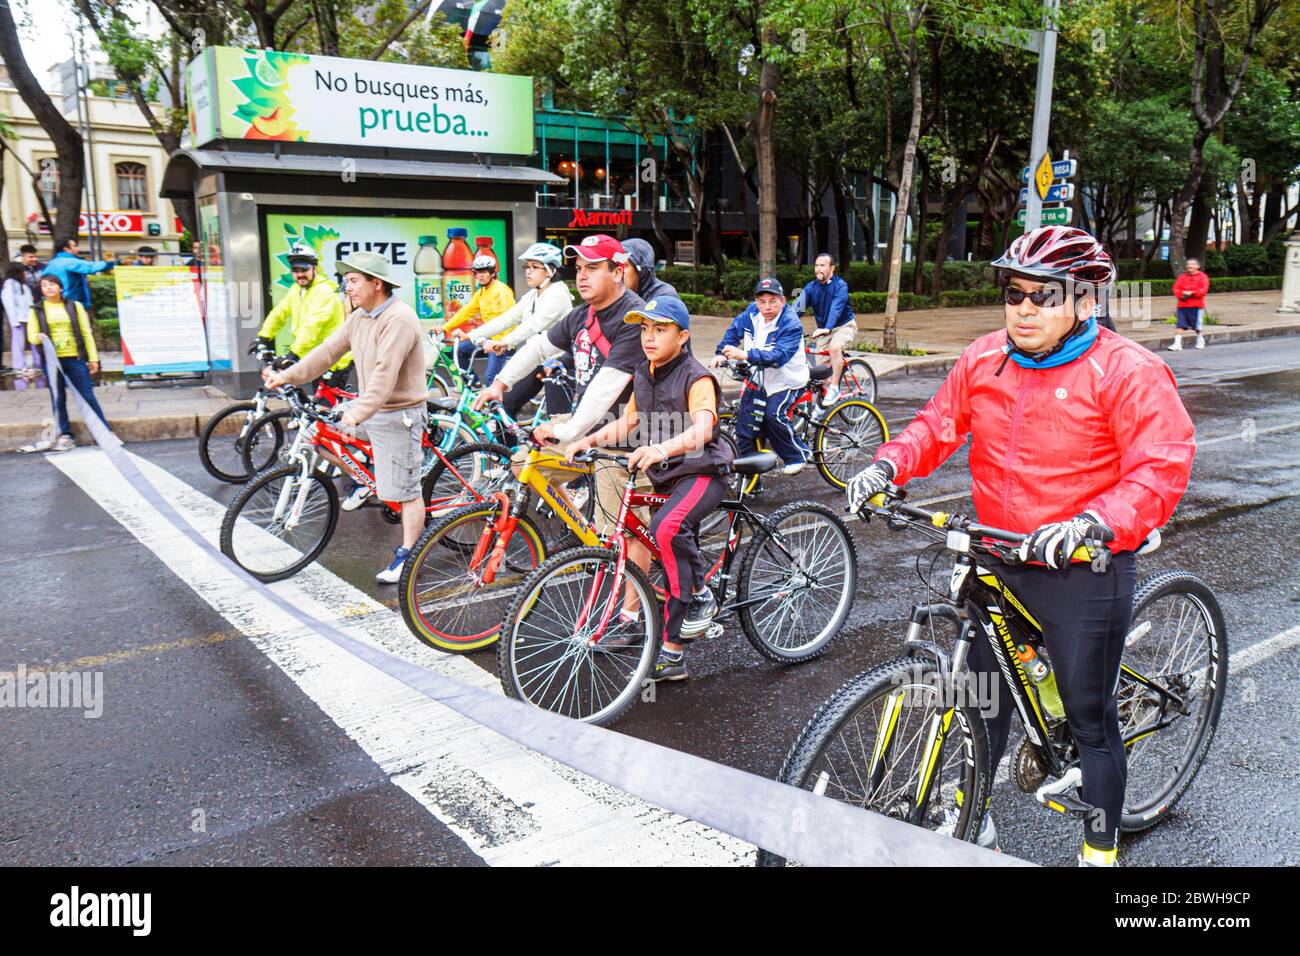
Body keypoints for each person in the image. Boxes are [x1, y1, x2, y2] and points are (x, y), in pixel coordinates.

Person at [844, 225, 1196, 867]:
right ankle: (974, 818)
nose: (1025, 308)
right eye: (1014, 294)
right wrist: (888, 464)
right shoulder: (985, 359)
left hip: (1081, 562)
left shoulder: (1127, 370)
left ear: (1085, 302)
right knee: (981, 699)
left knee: (1091, 719)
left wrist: (1094, 523)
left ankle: (1099, 848)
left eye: (1044, 296)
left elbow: (1160, 466)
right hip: (999, 553)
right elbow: (936, 426)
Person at [566, 296, 733, 682]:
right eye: (644, 329)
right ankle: (675, 645)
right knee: (656, 541)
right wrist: (588, 441)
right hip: (668, 473)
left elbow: (703, 430)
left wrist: (660, 448)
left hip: (702, 470)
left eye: (660, 329)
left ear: (683, 335)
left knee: (667, 529)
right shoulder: (645, 371)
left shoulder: (696, 376)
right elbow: (628, 423)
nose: (650, 337)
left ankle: (696, 604)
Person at [263, 252, 428, 584]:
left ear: (376, 283)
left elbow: (384, 375)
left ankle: (409, 554)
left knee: (406, 492)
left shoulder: (398, 319)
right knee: (316, 434)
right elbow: (328, 351)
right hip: (371, 409)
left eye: (353, 280)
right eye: (347, 281)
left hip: (398, 414)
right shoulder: (360, 317)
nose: (347, 288)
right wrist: (289, 376)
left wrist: (356, 412)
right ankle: (370, 481)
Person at [473, 233, 647, 537]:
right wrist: (501, 383)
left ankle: (631, 580)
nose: (582, 276)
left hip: (626, 434)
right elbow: (539, 347)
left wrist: (566, 430)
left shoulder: (633, 317)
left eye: (592, 268)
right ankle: (582, 529)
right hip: (589, 425)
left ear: (618, 272)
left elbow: (606, 386)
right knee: (525, 464)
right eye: (579, 268)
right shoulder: (583, 314)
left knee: (622, 538)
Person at [711, 276, 811, 476]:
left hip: (787, 381)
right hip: (758, 378)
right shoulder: (751, 313)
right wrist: (721, 352)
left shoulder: (790, 323)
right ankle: (750, 479)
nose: (767, 307)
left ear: (783, 301)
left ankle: (798, 455)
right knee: (745, 427)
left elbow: (778, 357)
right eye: (762, 301)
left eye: (773, 301)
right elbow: (733, 332)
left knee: (773, 415)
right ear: (756, 302)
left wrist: (745, 355)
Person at [465, 242, 574, 411]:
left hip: (559, 364)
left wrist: (505, 342)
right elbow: (507, 319)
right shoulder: (533, 295)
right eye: (527, 266)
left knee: (557, 421)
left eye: (534, 267)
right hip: (535, 358)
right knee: (506, 403)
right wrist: (472, 335)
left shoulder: (557, 295)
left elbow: (532, 325)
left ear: (549, 270)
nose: (528, 271)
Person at [27, 273, 110, 451]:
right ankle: (65, 434)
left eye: (51, 284)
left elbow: (87, 333)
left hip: (75, 358)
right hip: (51, 361)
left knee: (87, 396)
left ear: (60, 287)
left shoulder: (75, 306)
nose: (48, 288)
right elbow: (31, 336)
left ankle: (104, 432)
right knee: (58, 399)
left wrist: (93, 358)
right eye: (44, 285)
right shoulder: (36, 309)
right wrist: (39, 337)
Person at [253, 242, 352, 388]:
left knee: (324, 408)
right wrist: (263, 337)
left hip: (333, 360)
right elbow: (279, 313)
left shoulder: (325, 291)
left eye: (304, 269)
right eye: (295, 270)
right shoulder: (296, 290)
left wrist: (293, 354)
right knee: (298, 399)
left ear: (314, 268)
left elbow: (312, 326)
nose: (300, 274)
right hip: (314, 357)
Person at [794, 253, 857, 403]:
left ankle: (835, 388)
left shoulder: (840, 286)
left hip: (844, 326)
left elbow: (836, 309)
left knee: (834, 348)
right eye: (816, 265)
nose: (818, 269)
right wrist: (783, 324)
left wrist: (828, 328)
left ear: (832, 268)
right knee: (822, 375)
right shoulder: (811, 287)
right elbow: (797, 308)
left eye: (822, 265)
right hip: (824, 331)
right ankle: (823, 406)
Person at [443, 253, 515, 385]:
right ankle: (474, 384)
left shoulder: (502, 290)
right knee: (459, 350)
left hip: (500, 341)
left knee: (490, 378)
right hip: (486, 337)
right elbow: (465, 312)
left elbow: (511, 318)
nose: (480, 276)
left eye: (484, 272)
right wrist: (444, 327)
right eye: (477, 273)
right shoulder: (481, 293)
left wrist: (503, 343)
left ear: (492, 273)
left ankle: (495, 404)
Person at [40, 237, 115, 312]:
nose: (78, 249)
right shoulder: (68, 261)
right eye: (75, 246)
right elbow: (91, 267)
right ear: (66, 249)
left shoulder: (52, 263)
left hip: (56, 303)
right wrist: (115, 263)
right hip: (72, 304)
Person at [1170, 257, 1210, 351]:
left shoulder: (1203, 277)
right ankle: (1177, 343)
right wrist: (1182, 294)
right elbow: (1176, 289)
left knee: (1197, 326)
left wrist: (1192, 293)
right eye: (1188, 264)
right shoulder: (1182, 277)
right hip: (1182, 305)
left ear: (1197, 266)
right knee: (1180, 325)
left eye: (1192, 264)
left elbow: (1203, 291)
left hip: (1196, 306)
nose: (1189, 266)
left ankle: (1200, 340)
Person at [2, 262, 36, 372]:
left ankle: (38, 362)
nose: (25, 273)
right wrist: (14, 320)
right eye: (23, 271)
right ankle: (19, 364)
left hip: (29, 317)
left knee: (33, 340)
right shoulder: (9, 284)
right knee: (18, 342)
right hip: (18, 318)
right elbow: (9, 303)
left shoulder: (23, 285)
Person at [622, 238, 680, 302]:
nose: (618, 272)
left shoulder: (665, 296)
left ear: (642, 270)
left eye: (625, 266)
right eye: (616, 265)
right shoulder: (616, 295)